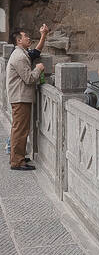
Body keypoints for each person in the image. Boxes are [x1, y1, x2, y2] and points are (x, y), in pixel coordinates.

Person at [6, 27, 46, 170]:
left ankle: (18, 156)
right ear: (18, 41)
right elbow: (29, 78)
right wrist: (39, 69)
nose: (29, 38)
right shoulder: (19, 56)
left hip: (20, 97)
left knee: (20, 129)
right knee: (20, 130)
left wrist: (43, 35)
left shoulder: (22, 53)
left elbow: (36, 52)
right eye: (25, 37)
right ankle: (17, 162)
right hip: (20, 97)